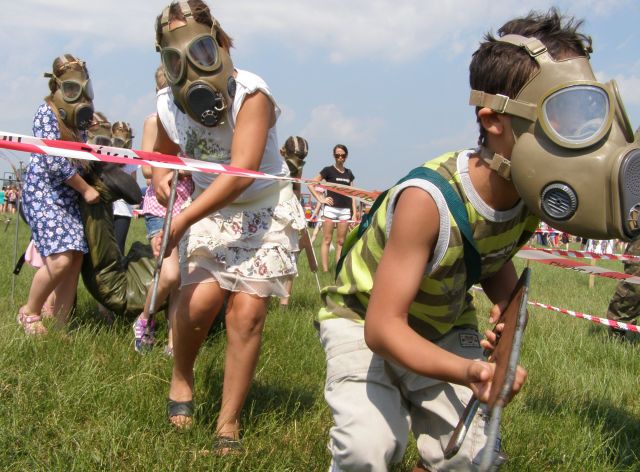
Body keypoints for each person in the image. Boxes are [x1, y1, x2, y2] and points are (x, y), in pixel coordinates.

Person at [315, 9, 609, 470]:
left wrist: (506, 316)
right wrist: (470, 371)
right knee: (366, 449)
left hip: (442, 325)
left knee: (473, 458)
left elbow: (490, 256)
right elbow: (382, 328)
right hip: (362, 321)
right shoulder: (427, 200)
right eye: (561, 116)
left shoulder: (530, 195)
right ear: (495, 120)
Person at [151, 0, 305, 453]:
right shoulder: (168, 101)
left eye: (200, 51)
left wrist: (182, 219)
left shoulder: (251, 94)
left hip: (263, 208)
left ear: (218, 42)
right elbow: (161, 150)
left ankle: (228, 422)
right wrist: (160, 174)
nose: (189, 67)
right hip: (211, 210)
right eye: (175, 59)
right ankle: (182, 378)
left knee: (247, 314)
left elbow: (240, 173)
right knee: (198, 304)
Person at [18, 54, 99, 335]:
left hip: (66, 195)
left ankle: (61, 325)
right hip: (44, 193)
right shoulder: (46, 112)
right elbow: (54, 162)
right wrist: (86, 189)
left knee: (74, 259)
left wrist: (86, 130)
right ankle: (30, 313)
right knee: (60, 258)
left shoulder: (77, 118)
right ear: (57, 84)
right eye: (72, 86)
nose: (79, 92)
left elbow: (80, 156)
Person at [133, 65, 194, 355]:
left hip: (189, 206)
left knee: (182, 279)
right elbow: (146, 168)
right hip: (161, 205)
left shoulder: (191, 124)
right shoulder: (153, 122)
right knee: (169, 274)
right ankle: (145, 318)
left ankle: (174, 340)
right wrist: (177, 168)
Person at [308, 144, 357, 272]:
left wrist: (354, 212)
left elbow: (353, 194)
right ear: (334, 156)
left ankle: (338, 270)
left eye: (342, 155)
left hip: (345, 211)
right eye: (337, 155)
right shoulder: (327, 170)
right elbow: (311, 184)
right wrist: (320, 199)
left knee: (341, 241)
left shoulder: (349, 173)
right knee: (327, 239)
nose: (340, 157)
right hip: (330, 210)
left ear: (346, 156)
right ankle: (325, 271)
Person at [278, 135, 309, 309]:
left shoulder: (298, 166)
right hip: (269, 208)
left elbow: (297, 188)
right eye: (296, 157)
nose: (298, 162)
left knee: (291, 255)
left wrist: (295, 208)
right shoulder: (273, 160)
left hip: (289, 209)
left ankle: (284, 304)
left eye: (302, 159)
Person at [110, 121, 138, 254]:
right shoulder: (103, 152)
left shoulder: (131, 158)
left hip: (122, 208)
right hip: (109, 206)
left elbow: (133, 185)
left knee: (117, 248)